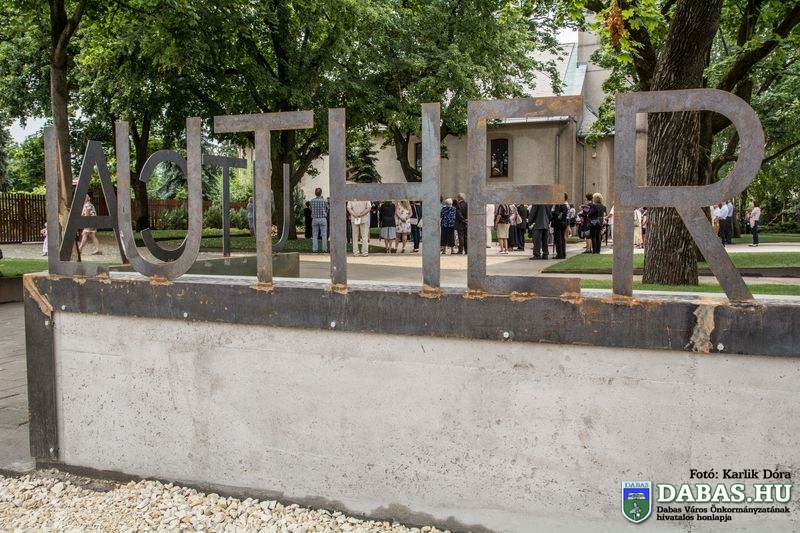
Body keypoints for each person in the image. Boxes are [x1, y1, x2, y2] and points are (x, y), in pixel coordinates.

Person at [309, 187, 329, 253]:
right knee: (324, 235)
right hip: (323, 219)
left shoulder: (312, 201)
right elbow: (328, 209)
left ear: (315, 193)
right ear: (321, 193)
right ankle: (324, 249)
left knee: (314, 235)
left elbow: (310, 208)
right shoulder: (325, 201)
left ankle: (315, 249)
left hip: (314, 219)